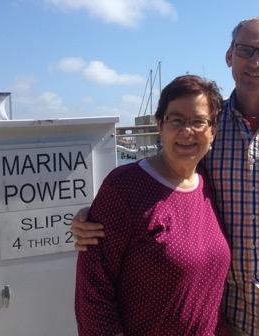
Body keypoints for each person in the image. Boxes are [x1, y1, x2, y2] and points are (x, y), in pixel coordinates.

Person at [73, 18, 259, 336]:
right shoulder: (208, 125)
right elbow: (168, 185)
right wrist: (95, 217)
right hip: (224, 310)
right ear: (229, 56)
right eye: (245, 50)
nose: (255, 61)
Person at [74, 75, 230, 336]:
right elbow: (93, 289)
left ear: (212, 130)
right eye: (176, 120)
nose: (186, 131)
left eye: (198, 121)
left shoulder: (210, 184)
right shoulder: (125, 186)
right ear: (160, 124)